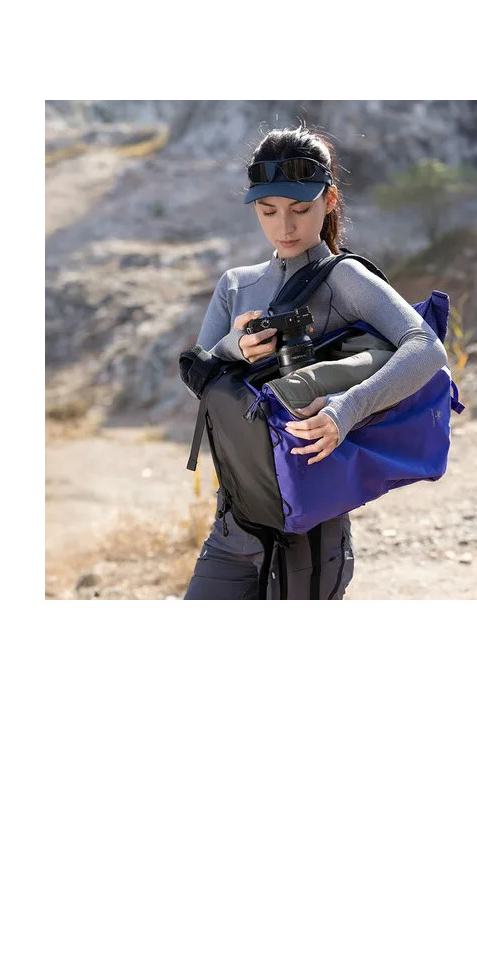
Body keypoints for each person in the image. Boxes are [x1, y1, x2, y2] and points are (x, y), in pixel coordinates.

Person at [183, 125, 450, 600]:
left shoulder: (343, 277)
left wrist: (347, 408)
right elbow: (200, 383)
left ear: (328, 201)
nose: (284, 227)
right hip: (232, 524)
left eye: (300, 209)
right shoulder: (235, 285)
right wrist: (233, 348)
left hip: (310, 532)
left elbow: (426, 347)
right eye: (268, 211)